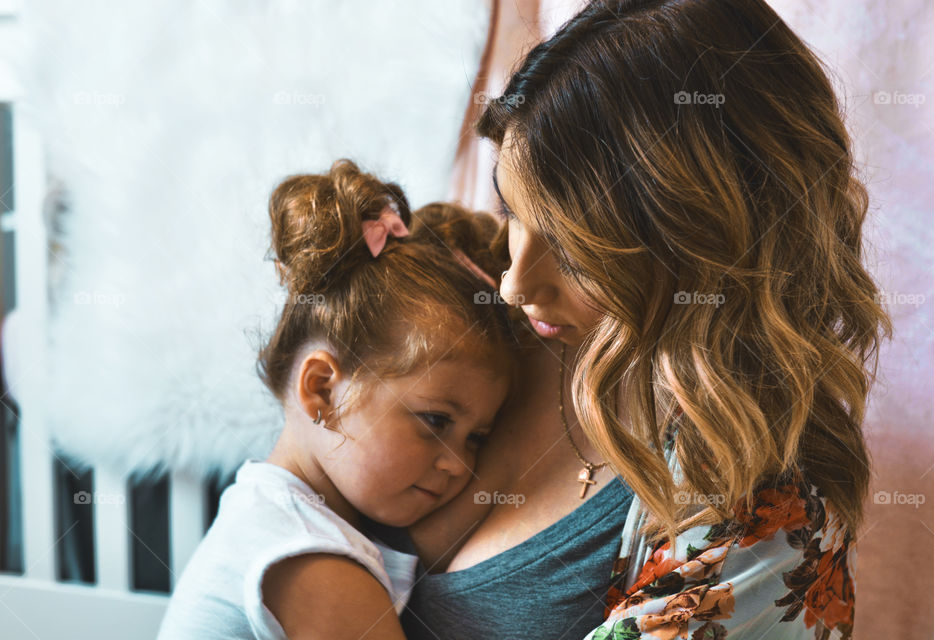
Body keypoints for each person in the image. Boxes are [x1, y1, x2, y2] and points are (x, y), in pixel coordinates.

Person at [402, 1, 891, 639]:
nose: (514, 283)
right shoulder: (470, 317)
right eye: (513, 211)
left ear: (705, 243)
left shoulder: (767, 512)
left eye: (576, 250)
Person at [157, 159, 517, 639]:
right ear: (322, 390)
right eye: (434, 421)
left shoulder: (268, 513)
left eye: (477, 437)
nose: (459, 465)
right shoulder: (310, 558)